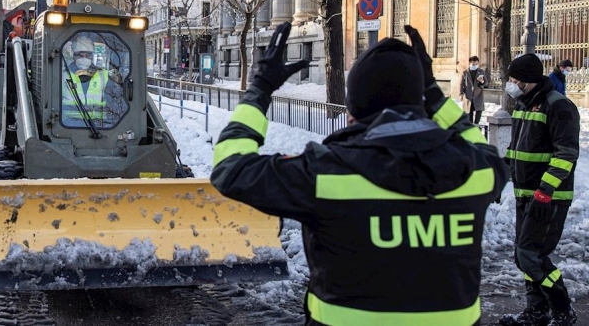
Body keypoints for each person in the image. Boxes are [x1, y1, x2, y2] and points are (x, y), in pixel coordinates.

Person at [211, 23, 508, 326]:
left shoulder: (325, 174)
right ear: (420, 103)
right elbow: (481, 147)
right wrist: (433, 94)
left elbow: (231, 168)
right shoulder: (477, 171)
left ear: (353, 112)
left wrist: (260, 88)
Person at [499, 54, 579, 326]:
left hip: (549, 197)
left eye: (515, 80)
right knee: (524, 256)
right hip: (526, 194)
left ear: (529, 80)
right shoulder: (524, 104)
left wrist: (545, 191)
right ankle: (536, 311)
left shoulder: (558, 106)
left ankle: (562, 309)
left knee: (530, 255)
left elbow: (565, 154)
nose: (511, 84)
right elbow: (519, 149)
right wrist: (500, 174)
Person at [61, 35, 124, 128]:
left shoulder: (104, 76)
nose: (84, 58)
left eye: (87, 55)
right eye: (80, 55)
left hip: (100, 125)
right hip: (68, 124)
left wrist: (118, 78)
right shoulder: (63, 75)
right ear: (74, 55)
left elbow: (117, 100)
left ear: (92, 56)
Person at [460, 55, 486, 125]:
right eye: (473, 64)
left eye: (476, 64)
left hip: (478, 95)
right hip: (468, 95)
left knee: (479, 111)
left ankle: (477, 124)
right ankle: (470, 125)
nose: (474, 65)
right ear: (470, 63)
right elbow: (461, 83)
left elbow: (485, 83)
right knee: (469, 111)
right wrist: (461, 93)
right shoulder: (465, 72)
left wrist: (482, 82)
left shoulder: (481, 71)